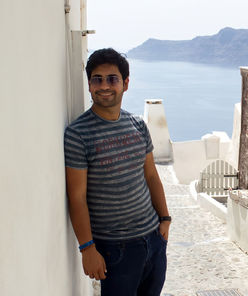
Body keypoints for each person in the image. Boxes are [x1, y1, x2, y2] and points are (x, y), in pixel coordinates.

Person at [64, 48, 171, 296]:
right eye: (97, 79)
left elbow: (151, 176)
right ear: (89, 85)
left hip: (153, 240)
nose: (104, 86)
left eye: (112, 79)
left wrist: (165, 220)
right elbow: (77, 196)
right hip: (115, 250)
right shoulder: (78, 134)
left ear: (125, 84)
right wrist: (87, 248)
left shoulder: (137, 125)